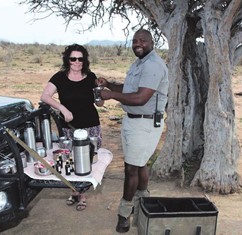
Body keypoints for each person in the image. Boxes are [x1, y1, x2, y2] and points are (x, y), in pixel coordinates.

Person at [97, 29, 169, 233]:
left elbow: (140, 98)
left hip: (144, 125)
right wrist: (110, 85)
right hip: (133, 122)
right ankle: (142, 204)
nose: (138, 44)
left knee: (131, 169)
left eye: (142, 41)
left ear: (151, 42)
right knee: (139, 165)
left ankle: (124, 212)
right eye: (135, 41)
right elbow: (130, 91)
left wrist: (110, 94)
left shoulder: (154, 65)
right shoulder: (140, 63)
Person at [40, 43, 104, 211]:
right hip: (69, 127)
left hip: (90, 126)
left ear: (85, 61)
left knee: (88, 160)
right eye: (73, 58)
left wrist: (100, 96)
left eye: (80, 59)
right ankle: (74, 191)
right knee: (70, 160)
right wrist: (61, 108)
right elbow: (45, 96)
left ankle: (82, 194)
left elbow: (99, 103)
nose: (77, 62)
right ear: (67, 60)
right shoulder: (59, 77)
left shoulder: (91, 77)